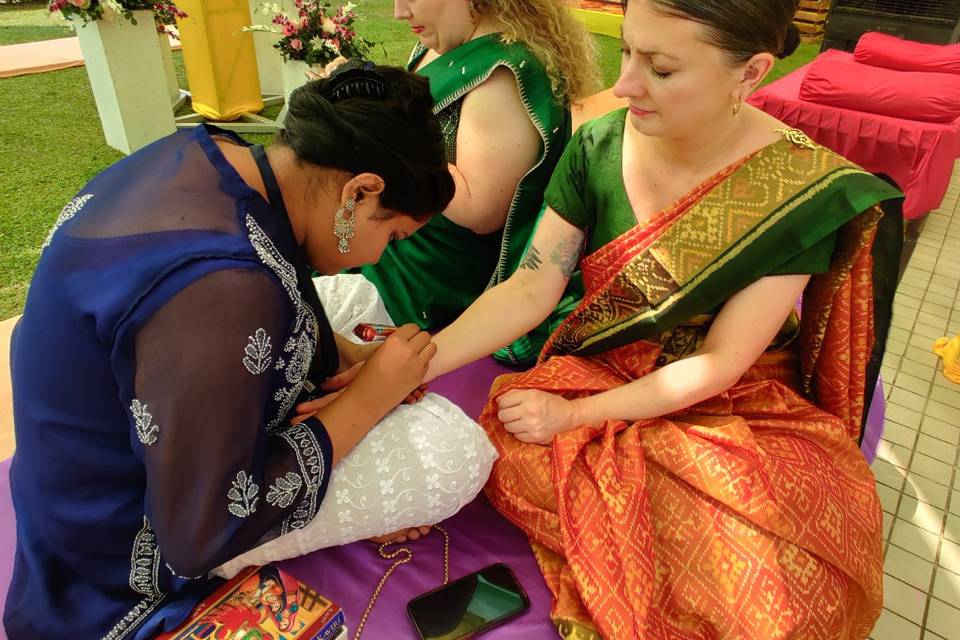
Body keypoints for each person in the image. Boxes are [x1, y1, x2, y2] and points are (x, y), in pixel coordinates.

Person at [307, 1, 903, 636]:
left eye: (662, 68)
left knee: (779, 590)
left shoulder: (792, 190)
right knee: (500, 445)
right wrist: (413, 364)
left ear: (751, 71)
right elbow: (534, 286)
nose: (623, 86)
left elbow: (721, 361)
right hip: (601, 364)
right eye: (626, 53)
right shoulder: (599, 144)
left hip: (730, 400)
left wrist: (574, 416)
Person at [4, 62, 497, 640]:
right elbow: (197, 535)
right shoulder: (226, 294)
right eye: (391, 237)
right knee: (454, 453)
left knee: (355, 297)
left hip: (103, 450)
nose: (381, 256)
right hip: (124, 546)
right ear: (361, 191)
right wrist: (366, 399)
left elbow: (274, 272)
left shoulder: (219, 151)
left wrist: (343, 359)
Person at [320, 0, 600, 365]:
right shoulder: (441, 42)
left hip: (428, 284)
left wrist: (374, 127)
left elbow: (478, 210)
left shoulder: (501, 77)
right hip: (391, 244)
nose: (398, 12)